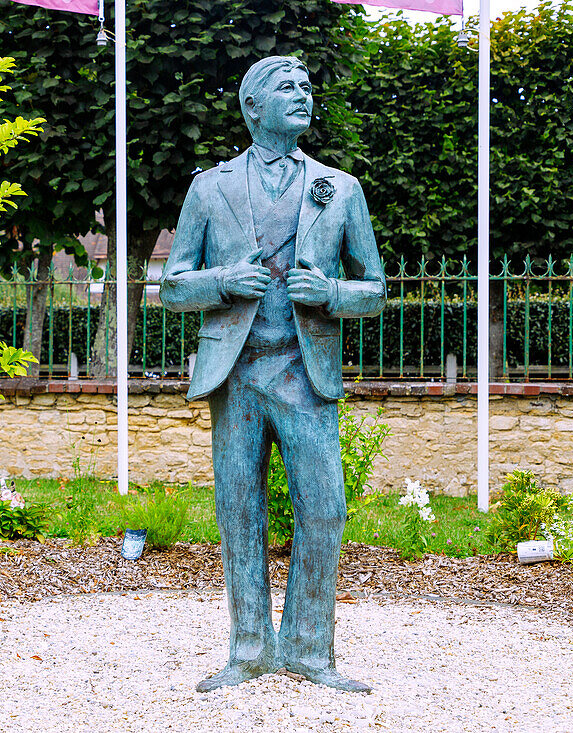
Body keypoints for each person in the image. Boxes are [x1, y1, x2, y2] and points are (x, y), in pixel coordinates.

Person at [159, 55, 386, 694]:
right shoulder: (210, 188)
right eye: (285, 87)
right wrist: (224, 281)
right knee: (238, 511)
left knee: (326, 509)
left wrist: (333, 292)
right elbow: (172, 286)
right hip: (236, 374)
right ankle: (250, 650)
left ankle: (312, 651)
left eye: (307, 86)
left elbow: (375, 289)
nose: (302, 95)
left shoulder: (340, 189)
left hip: (305, 374)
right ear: (251, 106)